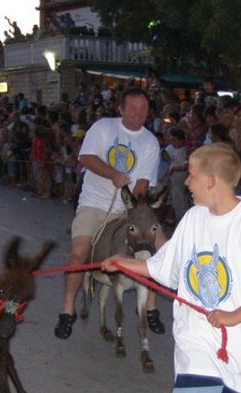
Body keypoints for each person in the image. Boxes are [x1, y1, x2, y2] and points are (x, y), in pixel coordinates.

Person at [100, 143, 241, 393]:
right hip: (196, 336)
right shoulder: (193, 218)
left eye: (191, 175)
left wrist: (232, 317)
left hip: (237, 341)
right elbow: (163, 266)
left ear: (210, 180)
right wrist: (122, 262)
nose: (186, 181)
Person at [55, 88, 165, 340]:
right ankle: (67, 309)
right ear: (121, 109)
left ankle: (151, 308)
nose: (139, 113)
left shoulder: (150, 141)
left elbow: (142, 184)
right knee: (79, 253)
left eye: (144, 108)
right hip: (94, 204)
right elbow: (86, 157)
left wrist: (135, 208)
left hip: (125, 207)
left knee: (160, 246)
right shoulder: (103, 127)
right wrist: (113, 174)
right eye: (134, 107)